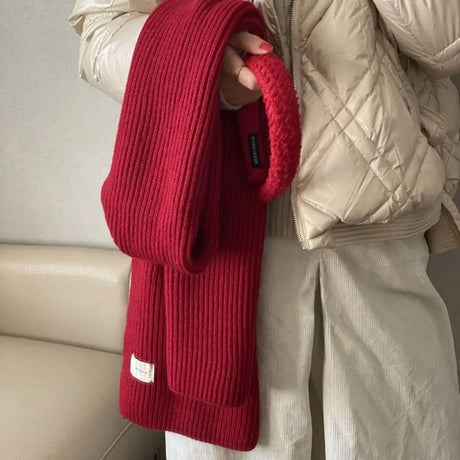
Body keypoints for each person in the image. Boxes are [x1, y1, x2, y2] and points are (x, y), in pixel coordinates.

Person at [68, 0, 460, 458]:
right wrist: (199, 61)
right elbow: (100, 30)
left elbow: (445, 45)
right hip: (216, 237)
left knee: (401, 438)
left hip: (376, 240)